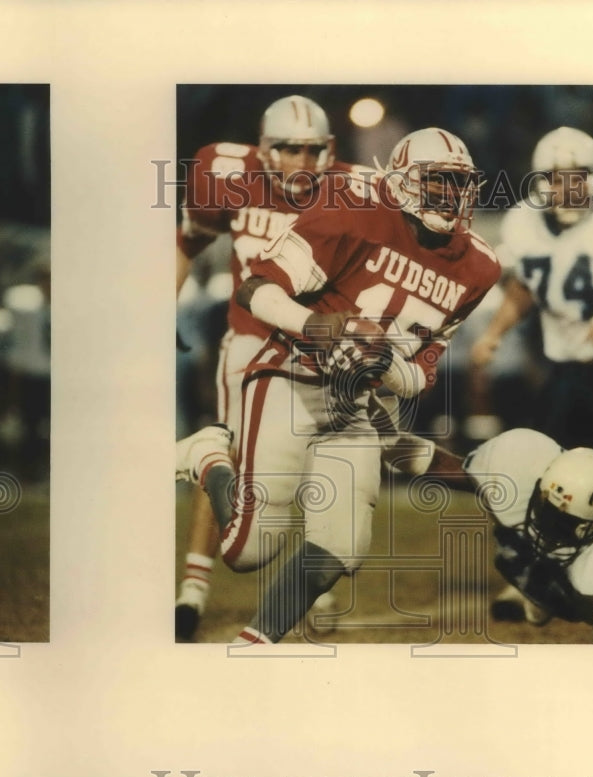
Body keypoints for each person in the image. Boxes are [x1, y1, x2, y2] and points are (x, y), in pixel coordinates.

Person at [177, 127, 501, 644]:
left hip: (355, 402)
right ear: (402, 182)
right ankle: (210, 457)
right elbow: (255, 289)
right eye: (436, 181)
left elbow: (419, 375)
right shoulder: (352, 211)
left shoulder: (479, 267)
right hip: (289, 377)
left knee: (342, 545)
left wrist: (381, 363)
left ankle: (252, 645)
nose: (450, 194)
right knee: (246, 551)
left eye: (458, 183)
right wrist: (320, 329)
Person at [174, 95, 349, 640]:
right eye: (288, 149)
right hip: (250, 340)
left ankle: (311, 584)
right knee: (230, 456)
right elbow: (190, 238)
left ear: (331, 150)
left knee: (321, 465)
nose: (300, 161)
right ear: (262, 147)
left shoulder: (356, 190)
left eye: (311, 149)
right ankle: (193, 589)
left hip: (317, 349)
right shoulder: (224, 172)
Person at [470, 126, 593, 463]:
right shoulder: (524, 222)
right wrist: (494, 333)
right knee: (550, 471)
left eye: (577, 177)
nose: (567, 189)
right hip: (565, 368)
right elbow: (526, 284)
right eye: (556, 178)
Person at [410, 428, 593, 644]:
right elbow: (450, 469)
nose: (546, 528)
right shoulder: (523, 468)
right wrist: (390, 443)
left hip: (588, 594)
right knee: (513, 554)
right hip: (555, 562)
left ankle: (549, 598)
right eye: (545, 509)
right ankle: (541, 594)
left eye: (564, 524)